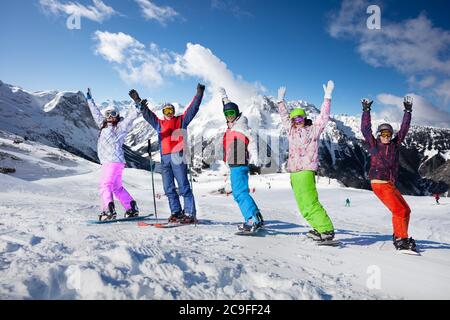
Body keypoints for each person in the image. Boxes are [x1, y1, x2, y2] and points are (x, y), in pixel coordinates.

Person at [128, 84, 205, 224]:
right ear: (163, 112)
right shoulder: (159, 123)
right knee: (168, 187)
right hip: (164, 158)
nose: (169, 113)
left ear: (174, 111)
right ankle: (176, 211)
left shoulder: (181, 120)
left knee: (183, 186)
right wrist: (138, 102)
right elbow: (148, 115)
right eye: (166, 110)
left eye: (171, 110)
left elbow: (193, 109)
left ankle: (189, 213)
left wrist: (199, 94)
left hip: (178, 157)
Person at [277, 82, 336, 242]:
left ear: (305, 118)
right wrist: (281, 102)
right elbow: (283, 118)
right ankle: (319, 228)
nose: (297, 121)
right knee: (302, 205)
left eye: (300, 117)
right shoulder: (291, 131)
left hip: (306, 170)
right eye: (294, 119)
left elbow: (323, 117)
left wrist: (327, 97)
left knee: (310, 201)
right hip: (294, 172)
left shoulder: (313, 130)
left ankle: (327, 230)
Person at [361, 96, 417, 253]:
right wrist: (366, 110)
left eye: (389, 134)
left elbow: (404, 129)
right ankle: (401, 238)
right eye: (383, 134)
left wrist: (407, 111)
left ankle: (399, 235)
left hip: (389, 183)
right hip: (379, 183)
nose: (386, 137)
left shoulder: (395, 145)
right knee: (398, 210)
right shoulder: (374, 145)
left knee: (405, 210)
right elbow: (365, 129)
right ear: (379, 135)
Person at [85, 88, 141, 221]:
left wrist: (138, 107)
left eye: (113, 113)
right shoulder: (103, 125)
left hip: (112, 162)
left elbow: (130, 118)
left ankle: (108, 211)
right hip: (114, 162)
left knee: (105, 185)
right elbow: (96, 113)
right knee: (116, 187)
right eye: (108, 114)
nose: (110, 116)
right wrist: (89, 100)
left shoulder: (120, 126)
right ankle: (131, 207)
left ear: (117, 115)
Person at [220, 87, 264, 232]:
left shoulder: (241, 126)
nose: (229, 116)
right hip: (234, 164)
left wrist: (255, 156)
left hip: (239, 164)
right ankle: (256, 216)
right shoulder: (232, 124)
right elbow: (228, 107)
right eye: (227, 114)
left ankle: (252, 220)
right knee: (241, 192)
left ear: (237, 114)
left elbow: (251, 141)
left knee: (239, 193)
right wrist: (224, 97)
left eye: (232, 113)